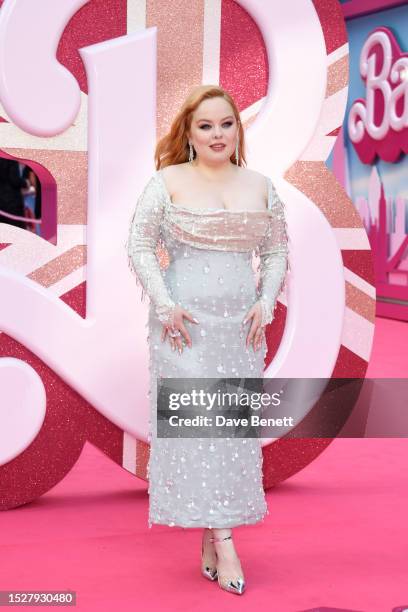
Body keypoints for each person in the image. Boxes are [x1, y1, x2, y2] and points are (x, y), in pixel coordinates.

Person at [126, 85, 289, 595]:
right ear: (189, 133)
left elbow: (278, 250)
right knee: (198, 431)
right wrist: (163, 304)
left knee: (228, 434)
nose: (217, 134)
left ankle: (211, 530)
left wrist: (266, 302)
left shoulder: (261, 185)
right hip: (184, 329)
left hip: (240, 331)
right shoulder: (166, 181)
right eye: (206, 125)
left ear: (237, 128)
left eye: (226, 124)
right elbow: (139, 244)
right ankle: (225, 541)